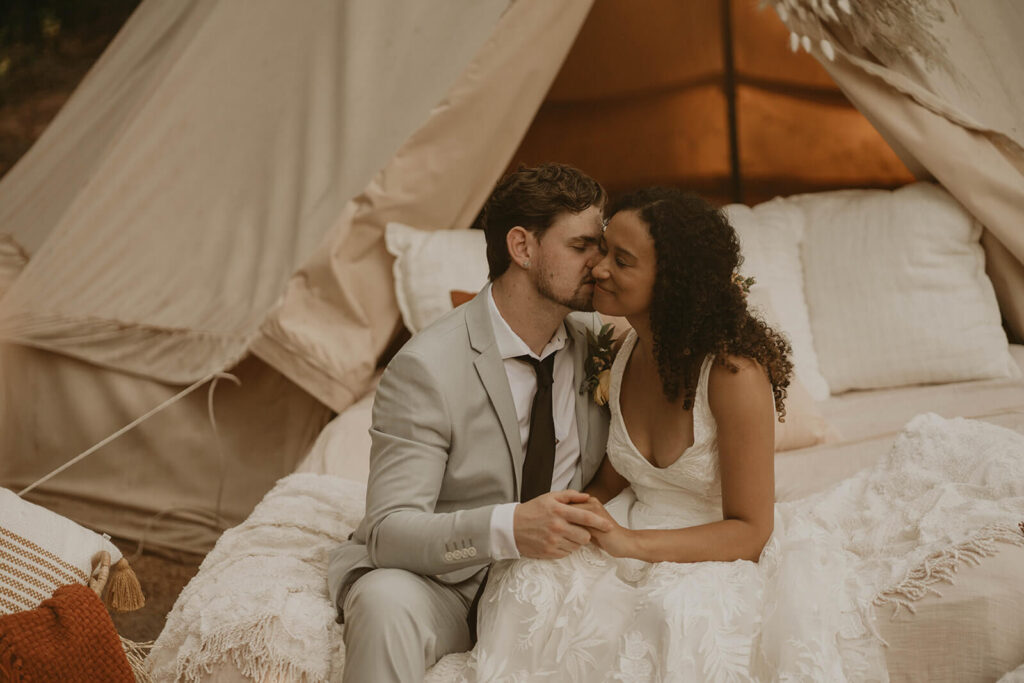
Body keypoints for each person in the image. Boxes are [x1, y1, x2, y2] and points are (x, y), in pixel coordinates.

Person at [461, 187, 888, 681]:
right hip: (630, 528)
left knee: (675, 618)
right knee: (532, 577)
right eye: (602, 250)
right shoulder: (624, 353)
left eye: (622, 261)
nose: (599, 269)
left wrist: (632, 543)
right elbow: (617, 472)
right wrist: (578, 513)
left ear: (672, 282)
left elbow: (752, 530)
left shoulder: (733, 375)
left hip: (714, 548)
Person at [327, 163, 615, 683]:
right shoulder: (427, 366)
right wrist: (509, 529)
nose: (600, 265)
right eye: (580, 247)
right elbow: (388, 532)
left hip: (563, 581)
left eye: (602, 246)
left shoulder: (602, 342)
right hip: (445, 583)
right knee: (384, 601)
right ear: (522, 248)